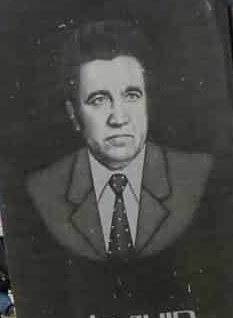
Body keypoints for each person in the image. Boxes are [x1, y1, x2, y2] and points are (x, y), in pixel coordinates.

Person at [26, 23, 212, 260]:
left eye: (131, 96)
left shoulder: (196, 175)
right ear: (74, 115)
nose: (119, 119)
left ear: (147, 104)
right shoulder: (44, 190)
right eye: (99, 100)